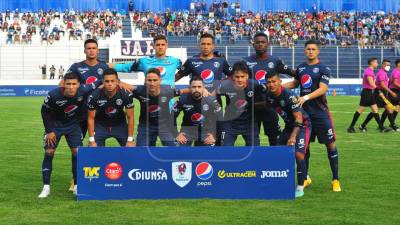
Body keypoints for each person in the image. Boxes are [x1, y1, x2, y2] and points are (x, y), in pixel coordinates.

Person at [284, 40, 341, 192]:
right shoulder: (301, 68)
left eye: (313, 49)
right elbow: (296, 83)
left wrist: (305, 98)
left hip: (321, 114)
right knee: (304, 147)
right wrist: (279, 86)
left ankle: (335, 179)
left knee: (330, 145)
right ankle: (305, 178)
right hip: (305, 115)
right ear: (304, 51)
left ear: (318, 51)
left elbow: (323, 89)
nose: (310, 51)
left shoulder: (324, 68)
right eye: (308, 49)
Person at [38, 72, 101, 198]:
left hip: (72, 126)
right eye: (68, 84)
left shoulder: (83, 90)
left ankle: (77, 186)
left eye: (74, 84)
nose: (71, 87)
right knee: (49, 152)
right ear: (63, 84)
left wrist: (116, 82)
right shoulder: (53, 95)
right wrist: (49, 130)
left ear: (79, 84)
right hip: (54, 127)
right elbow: (44, 112)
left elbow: (98, 81)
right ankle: (46, 187)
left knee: (77, 152)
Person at [66, 38, 109, 191]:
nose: (91, 50)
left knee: (97, 146)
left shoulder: (104, 67)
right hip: (78, 115)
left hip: (98, 115)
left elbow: (113, 84)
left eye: (94, 48)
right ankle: (75, 179)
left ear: (98, 50)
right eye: (88, 48)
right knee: (76, 148)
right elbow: (63, 85)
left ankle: (97, 176)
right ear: (85, 50)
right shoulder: (76, 67)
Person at [175, 33, 232, 145]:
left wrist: (218, 86)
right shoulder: (191, 61)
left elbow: (232, 76)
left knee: (214, 141)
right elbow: (177, 77)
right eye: (203, 44)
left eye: (208, 44)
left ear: (213, 46)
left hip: (215, 103)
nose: (205, 46)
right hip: (196, 102)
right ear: (199, 45)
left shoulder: (221, 61)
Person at [243, 32, 296, 146]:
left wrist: (304, 71)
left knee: (275, 140)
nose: (260, 44)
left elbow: (292, 72)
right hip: (252, 108)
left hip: (270, 107)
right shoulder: (245, 62)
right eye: (257, 42)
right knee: (252, 143)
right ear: (253, 44)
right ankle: (253, 163)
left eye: (263, 42)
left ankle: (275, 164)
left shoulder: (275, 61)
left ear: (268, 44)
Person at [266, 72, 311, 198]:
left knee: (298, 154)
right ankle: (283, 181)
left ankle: (300, 186)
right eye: (268, 82)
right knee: (278, 151)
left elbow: (299, 119)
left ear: (280, 81)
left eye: (274, 81)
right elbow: (266, 106)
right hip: (289, 126)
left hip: (303, 125)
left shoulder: (289, 95)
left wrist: (292, 137)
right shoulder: (269, 95)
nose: (271, 84)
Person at [130, 68, 184, 146]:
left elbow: (184, 91)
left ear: (160, 80)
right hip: (145, 126)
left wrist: (203, 90)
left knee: (174, 150)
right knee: (141, 151)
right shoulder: (140, 90)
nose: (152, 83)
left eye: (155, 80)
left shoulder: (168, 90)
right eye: (149, 80)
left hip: (164, 125)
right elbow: (126, 86)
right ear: (145, 81)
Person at [217, 61, 263, 146]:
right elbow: (211, 95)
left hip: (250, 123)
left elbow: (269, 93)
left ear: (247, 76)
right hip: (229, 123)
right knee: (225, 151)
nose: (240, 79)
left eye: (242, 76)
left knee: (255, 151)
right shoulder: (225, 86)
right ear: (232, 77)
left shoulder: (255, 85)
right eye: (237, 77)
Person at [87, 68, 135, 147]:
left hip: (120, 125)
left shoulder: (125, 94)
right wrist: (91, 140)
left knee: (131, 148)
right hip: (100, 126)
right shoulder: (94, 96)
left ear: (117, 82)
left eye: (112, 81)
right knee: (92, 149)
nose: (110, 84)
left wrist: (130, 139)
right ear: (103, 82)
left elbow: (130, 117)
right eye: (107, 81)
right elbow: (90, 118)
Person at [109, 35, 182, 87]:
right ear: (153, 46)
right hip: (149, 99)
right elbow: (123, 67)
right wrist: (103, 65)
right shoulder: (144, 61)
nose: (160, 47)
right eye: (158, 45)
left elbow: (186, 70)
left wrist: (172, 81)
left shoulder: (175, 61)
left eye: (163, 45)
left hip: (168, 100)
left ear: (167, 46)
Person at [174, 77, 222, 146]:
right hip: (187, 132)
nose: (197, 89)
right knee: (180, 153)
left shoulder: (212, 100)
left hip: (205, 133)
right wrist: (177, 134)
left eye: (199, 87)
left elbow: (220, 117)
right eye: (194, 87)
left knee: (204, 155)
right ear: (189, 88)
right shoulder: (183, 99)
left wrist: (213, 135)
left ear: (203, 88)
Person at [347, 58, 390, 133]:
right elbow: (371, 84)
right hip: (366, 93)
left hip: (369, 93)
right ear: (372, 63)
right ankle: (351, 127)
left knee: (375, 110)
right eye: (376, 62)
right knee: (360, 110)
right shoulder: (369, 71)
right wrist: (378, 90)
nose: (377, 64)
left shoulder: (370, 71)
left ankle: (381, 128)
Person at [375, 59, 399, 131]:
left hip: (383, 92)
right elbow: (383, 85)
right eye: (386, 65)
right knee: (384, 109)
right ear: (382, 65)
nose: (388, 66)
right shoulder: (382, 73)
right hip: (381, 92)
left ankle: (385, 125)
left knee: (388, 109)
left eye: (389, 65)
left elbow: (387, 84)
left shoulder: (384, 73)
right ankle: (392, 125)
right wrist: (391, 92)